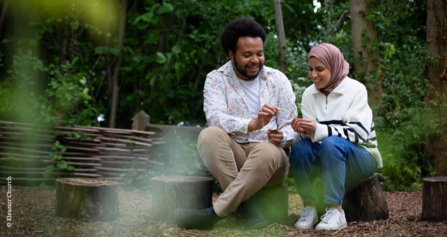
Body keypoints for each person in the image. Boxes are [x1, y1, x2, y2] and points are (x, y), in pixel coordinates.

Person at [174, 17, 297, 230]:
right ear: (231, 54)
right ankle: (249, 209)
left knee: (266, 151)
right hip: (234, 156)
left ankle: (214, 213)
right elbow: (215, 118)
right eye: (247, 55)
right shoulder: (216, 79)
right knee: (208, 135)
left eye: (259, 53)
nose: (256, 60)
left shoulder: (278, 80)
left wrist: (283, 136)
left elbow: (292, 128)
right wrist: (253, 123)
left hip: (272, 161)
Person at [290, 43, 382, 231]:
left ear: (334, 66)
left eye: (319, 69)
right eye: (310, 69)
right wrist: (302, 130)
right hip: (327, 157)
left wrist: (319, 129)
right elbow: (313, 139)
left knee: (332, 143)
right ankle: (309, 207)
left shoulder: (356, 90)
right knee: (300, 148)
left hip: (362, 156)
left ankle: (336, 211)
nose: (313, 75)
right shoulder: (309, 94)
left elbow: (359, 134)